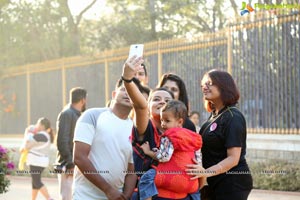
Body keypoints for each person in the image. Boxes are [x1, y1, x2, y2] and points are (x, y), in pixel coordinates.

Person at [122, 56, 201, 199]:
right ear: (148, 104)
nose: (162, 102)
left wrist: (201, 172)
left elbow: (195, 153)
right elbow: (140, 107)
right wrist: (127, 79)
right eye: (156, 99)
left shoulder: (186, 127)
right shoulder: (145, 127)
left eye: (167, 100)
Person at [186, 69, 253, 200]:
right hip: (214, 182)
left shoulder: (233, 116)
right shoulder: (214, 116)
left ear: (224, 85)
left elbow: (233, 159)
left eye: (209, 83)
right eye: (203, 85)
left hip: (232, 182)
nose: (204, 87)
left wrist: (206, 172)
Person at [72, 79, 137, 200]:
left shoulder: (135, 130)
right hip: (86, 196)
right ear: (114, 94)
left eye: (132, 91)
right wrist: (108, 190)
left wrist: (126, 196)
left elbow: (131, 172)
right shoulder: (92, 116)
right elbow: (79, 158)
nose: (128, 93)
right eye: (124, 89)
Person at [138, 100, 203, 200]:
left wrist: (149, 152)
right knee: (195, 192)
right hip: (189, 178)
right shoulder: (190, 135)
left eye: (167, 121)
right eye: (162, 120)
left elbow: (164, 157)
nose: (163, 124)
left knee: (146, 179)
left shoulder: (169, 135)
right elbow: (197, 156)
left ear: (180, 122)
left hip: (170, 175)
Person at [54, 87, 87, 200]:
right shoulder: (67, 114)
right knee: (67, 197)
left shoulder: (77, 114)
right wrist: (70, 163)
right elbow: (62, 141)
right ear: (83, 100)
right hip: (68, 165)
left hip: (75, 164)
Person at [21, 117, 54, 200]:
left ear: (42, 126)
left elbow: (25, 146)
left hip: (36, 162)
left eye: (38, 123)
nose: (36, 125)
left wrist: (27, 133)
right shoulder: (45, 135)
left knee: (36, 181)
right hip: (40, 162)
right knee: (35, 182)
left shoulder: (40, 135)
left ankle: (49, 198)